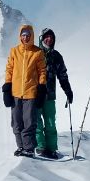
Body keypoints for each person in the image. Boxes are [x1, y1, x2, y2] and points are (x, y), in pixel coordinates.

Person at [3, 23, 47, 157]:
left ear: (31, 36)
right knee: (16, 122)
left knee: (29, 122)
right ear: (20, 36)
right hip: (16, 93)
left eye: (28, 35)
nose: (25, 38)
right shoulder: (14, 51)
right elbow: (9, 69)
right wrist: (7, 88)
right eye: (23, 35)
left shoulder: (37, 52)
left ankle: (28, 149)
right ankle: (21, 147)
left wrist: (41, 87)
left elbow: (42, 71)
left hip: (30, 93)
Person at [35, 28, 72, 158]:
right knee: (36, 122)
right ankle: (40, 147)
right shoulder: (34, 53)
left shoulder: (56, 56)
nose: (49, 39)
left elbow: (62, 75)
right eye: (46, 37)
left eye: (51, 37)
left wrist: (68, 90)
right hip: (35, 95)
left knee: (50, 122)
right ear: (41, 38)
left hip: (49, 95)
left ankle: (51, 149)